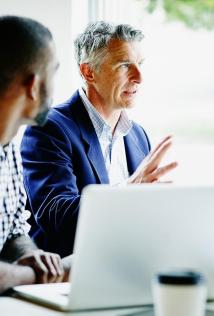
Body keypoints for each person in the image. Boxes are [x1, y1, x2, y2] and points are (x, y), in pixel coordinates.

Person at [21, 21, 178, 258]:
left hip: (130, 266)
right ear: (88, 72)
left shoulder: (137, 135)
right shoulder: (49, 128)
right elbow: (58, 218)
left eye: (140, 64)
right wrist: (129, 191)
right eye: (125, 65)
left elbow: (149, 214)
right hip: (68, 278)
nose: (139, 77)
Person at [0, 15, 69, 294]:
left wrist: (30, 254)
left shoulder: (10, 150)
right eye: (54, 72)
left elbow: (14, 228)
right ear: (33, 85)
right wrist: (34, 276)